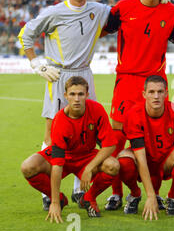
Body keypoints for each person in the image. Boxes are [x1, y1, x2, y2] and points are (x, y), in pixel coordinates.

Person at [17, 0, 112, 210]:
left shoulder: (98, 10)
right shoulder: (54, 12)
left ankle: (80, 189)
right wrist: (36, 62)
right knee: (52, 130)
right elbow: (26, 34)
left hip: (85, 73)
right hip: (58, 75)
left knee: (86, 133)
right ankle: (48, 194)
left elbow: (127, 14)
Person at [101, 0, 174, 210]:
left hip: (155, 83)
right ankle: (118, 192)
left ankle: (156, 193)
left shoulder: (171, 12)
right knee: (118, 135)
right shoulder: (124, 8)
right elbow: (98, 31)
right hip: (127, 81)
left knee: (154, 139)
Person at [20, 76, 119, 221]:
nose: (77, 99)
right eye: (72, 94)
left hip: (87, 156)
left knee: (113, 166)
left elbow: (110, 145)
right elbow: (57, 164)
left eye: (80, 94)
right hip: (65, 158)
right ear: (66, 96)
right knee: (28, 167)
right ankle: (60, 199)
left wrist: (89, 168)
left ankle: (88, 198)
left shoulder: (96, 109)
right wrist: (54, 202)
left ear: (87, 94)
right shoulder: (60, 120)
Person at [116, 75, 174, 219]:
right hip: (142, 159)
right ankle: (135, 194)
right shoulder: (134, 114)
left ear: (166, 94)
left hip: (165, 160)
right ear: (144, 94)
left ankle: (172, 197)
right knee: (123, 161)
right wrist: (151, 196)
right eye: (151, 92)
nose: (156, 96)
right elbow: (140, 158)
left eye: (160, 92)